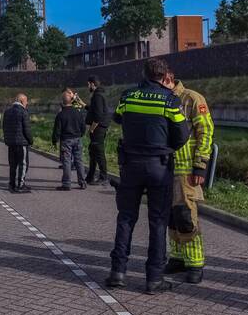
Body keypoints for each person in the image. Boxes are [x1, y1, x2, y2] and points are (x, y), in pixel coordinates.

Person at [105, 58, 190, 293]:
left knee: (126, 218)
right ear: (164, 77)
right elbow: (183, 134)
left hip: (130, 163)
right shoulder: (170, 100)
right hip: (159, 167)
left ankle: (117, 272)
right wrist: (166, 146)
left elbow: (118, 119)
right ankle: (154, 278)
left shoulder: (128, 96)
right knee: (158, 221)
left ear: (143, 73)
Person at [162, 71, 214, 284]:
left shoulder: (192, 98)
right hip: (166, 169)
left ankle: (195, 263)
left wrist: (200, 166)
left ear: (169, 77)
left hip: (186, 171)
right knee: (171, 218)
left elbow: (206, 131)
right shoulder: (162, 99)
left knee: (186, 217)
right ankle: (177, 257)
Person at [52, 88, 87, 191]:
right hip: (77, 139)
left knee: (66, 161)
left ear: (62, 101)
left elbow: (57, 130)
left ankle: (67, 184)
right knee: (79, 161)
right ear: (72, 100)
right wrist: (80, 134)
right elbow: (83, 127)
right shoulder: (78, 112)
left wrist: (54, 141)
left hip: (66, 140)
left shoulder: (61, 115)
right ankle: (82, 182)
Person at [3, 93, 34, 194]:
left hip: (11, 143)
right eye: (26, 101)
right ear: (21, 101)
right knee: (23, 164)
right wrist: (31, 141)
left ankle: (11, 184)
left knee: (13, 165)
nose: (27, 103)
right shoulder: (23, 112)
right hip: (22, 143)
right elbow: (27, 129)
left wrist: (7, 140)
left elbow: (5, 127)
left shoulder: (7, 112)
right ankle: (20, 185)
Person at [84, 76, 110, 184]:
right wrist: (83, 104)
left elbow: (98, 115)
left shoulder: (98, 96)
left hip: (98, 129)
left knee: (98, 152)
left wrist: (91, 128)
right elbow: (93, 109)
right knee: (93, 152)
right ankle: (90, 176)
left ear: (92, 84)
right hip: (99, 128)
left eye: (88, 84)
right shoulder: (98, 95)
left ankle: (103, 177)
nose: (88, 86)